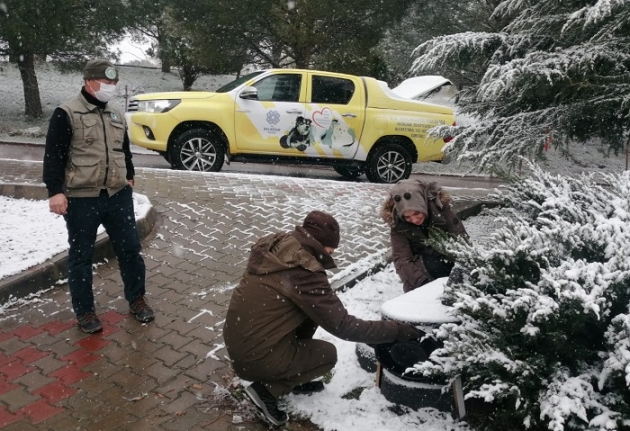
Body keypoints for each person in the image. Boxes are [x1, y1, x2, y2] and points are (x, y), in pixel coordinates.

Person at [223, 210, 423, 426]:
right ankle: (267, 391)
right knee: (327, 355)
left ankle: (289, 371)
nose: (332, 253)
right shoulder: (304, 270)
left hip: (239, 345)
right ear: (322, 245)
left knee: (312, 314)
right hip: (256, 358)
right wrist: (399, 331)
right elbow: (344, 327)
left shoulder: (279, 251)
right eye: (331, 249)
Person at [42, 59, 154, 334]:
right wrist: (55, 191)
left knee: (130, 251)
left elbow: (123, 150)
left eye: (114, 83)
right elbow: (54, 156)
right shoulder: (66, 112)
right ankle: (85, 311)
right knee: (81, 257)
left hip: (117, 196)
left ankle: (137, 299)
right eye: (106, 82)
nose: (110, 88)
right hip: (82, 198)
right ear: (88, 81)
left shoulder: (116, 114)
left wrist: (129, 174)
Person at [381, 179, 468, 292]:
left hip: (449, 257)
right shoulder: (398, 224)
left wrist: (462, 269)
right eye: (407, 217)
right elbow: (402, 260)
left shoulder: (442, 211)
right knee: (413, 286)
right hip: (421, 266)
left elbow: (462, 240)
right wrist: (422, 282)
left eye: (417, 213)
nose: (414, 219)